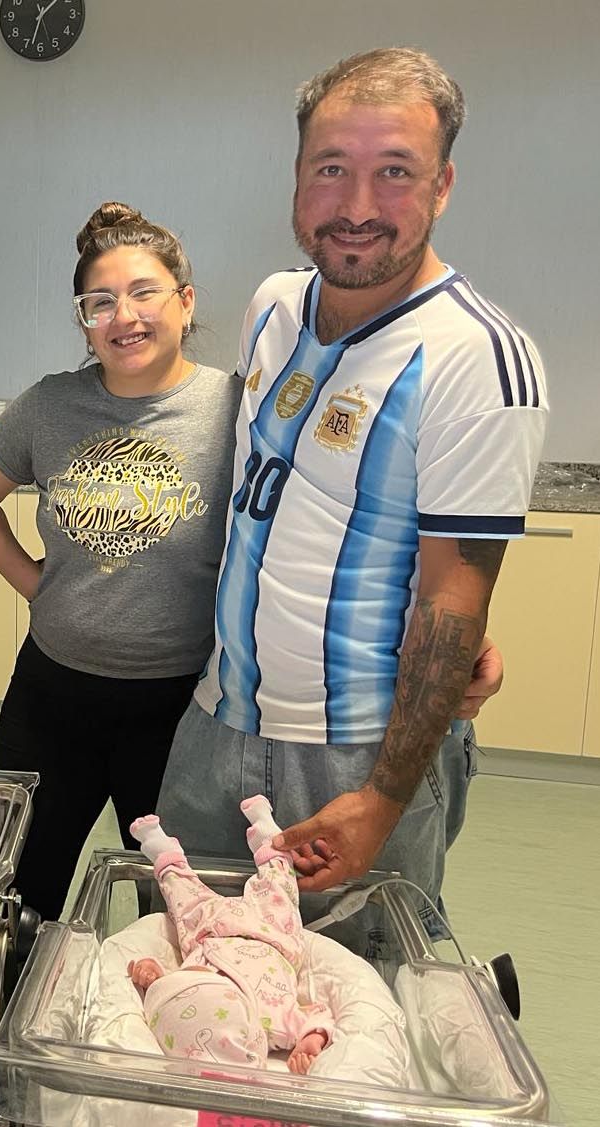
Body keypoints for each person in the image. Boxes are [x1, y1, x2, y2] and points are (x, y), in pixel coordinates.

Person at [157, 48, 547, 957]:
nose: (358, 205)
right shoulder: (273, 307)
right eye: (331, 168)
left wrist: (381, 798)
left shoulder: (477, 356)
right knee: (192, 969)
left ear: (443, 185)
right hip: (216, 719)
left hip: (357, 753)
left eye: (395, 172)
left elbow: (454, 593)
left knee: (355, 992)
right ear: (297, 176)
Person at [0, 204, 241, 921]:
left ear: (186, 301)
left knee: (175, 904)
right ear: (84, 321)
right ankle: (14, 993)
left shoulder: (237, 409)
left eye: (144, 293)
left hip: (183, 707)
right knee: (19, 890)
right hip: (53, 696)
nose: (124, 317)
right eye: (100, 302)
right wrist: (35, 583)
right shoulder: (50, 405)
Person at [128, 798, 334, 1075]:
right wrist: (310, 1042)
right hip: (273, 936)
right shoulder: (273, 1022)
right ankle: (268, 839)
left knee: (183, 897)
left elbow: (169, 987)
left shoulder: (184, 995)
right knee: (279, 888)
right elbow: (318, 1016)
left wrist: (151, 973)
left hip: (207, 932)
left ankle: (166, 856)